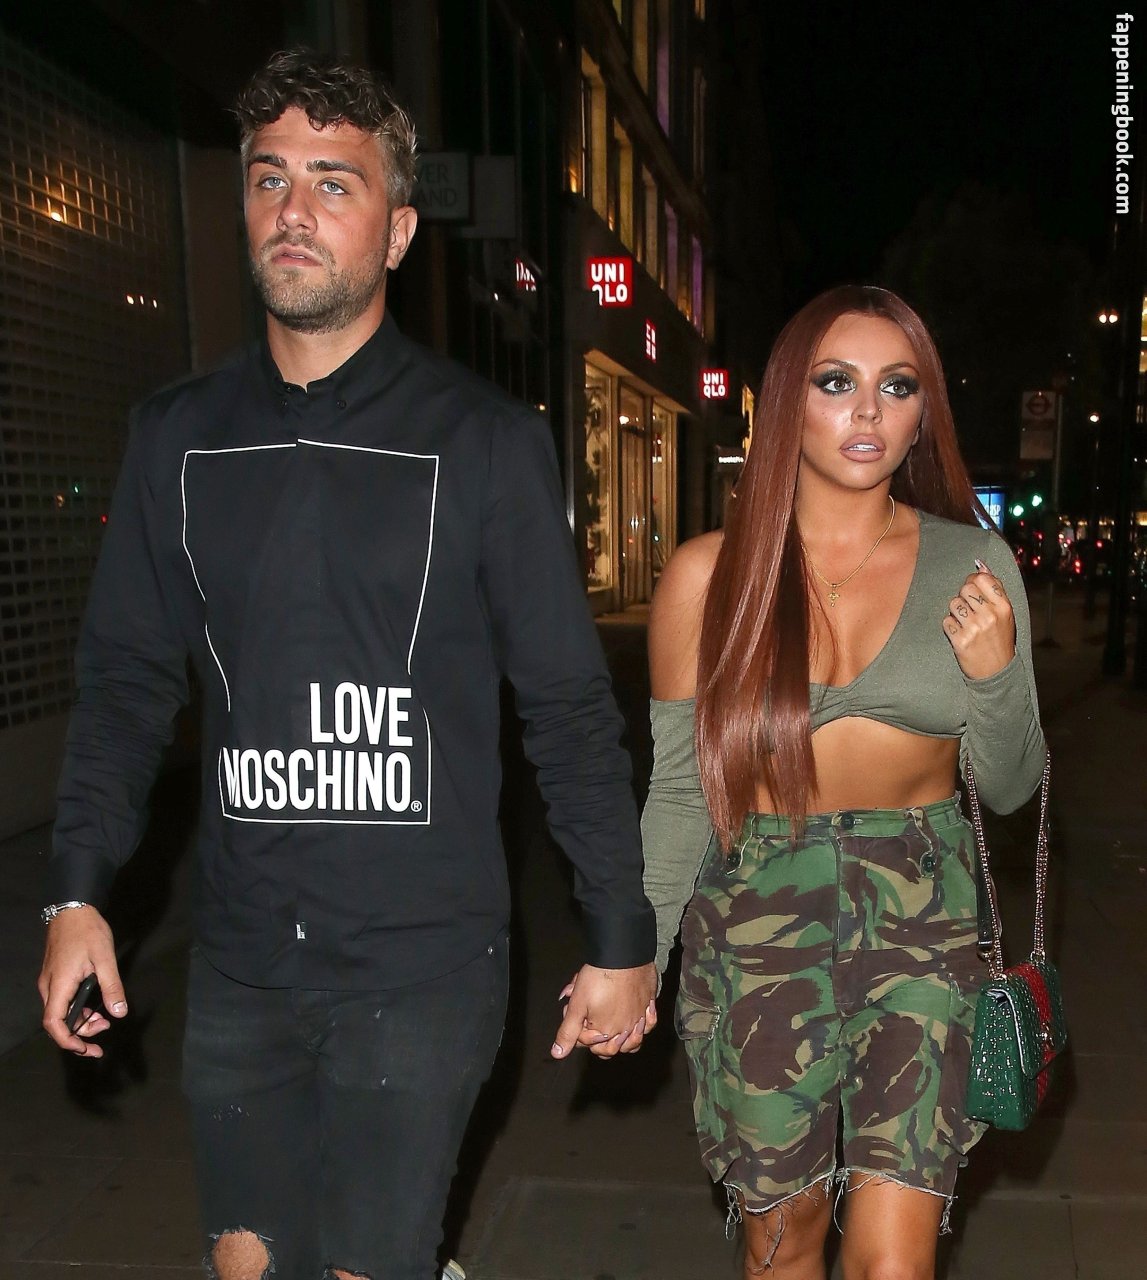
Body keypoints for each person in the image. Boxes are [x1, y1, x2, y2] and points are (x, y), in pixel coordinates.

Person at [38, 48, 657, 1280]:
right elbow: (124, 683)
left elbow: (566, 705)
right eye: (270, 178)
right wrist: (76, 895)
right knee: (247, 1264)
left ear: (399, 229)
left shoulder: (484, 443)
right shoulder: (175, 438)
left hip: (425, 958)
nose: (294, 209)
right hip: (244, 955)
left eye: (334, 181)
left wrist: (619, 929)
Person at [641, 285, 1045, 1279]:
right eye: (835, 382)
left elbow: (1008, 787)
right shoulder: (708, 575)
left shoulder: (973, 564)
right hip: (756, 913)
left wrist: (994, 676)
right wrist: (634, 958)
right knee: (782, 1243)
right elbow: (681, 793)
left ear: (920, 414)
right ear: (788, 400)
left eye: (896, 387)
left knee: (893, 1263)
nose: (867, 410)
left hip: (921, 913)